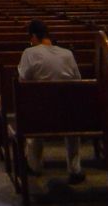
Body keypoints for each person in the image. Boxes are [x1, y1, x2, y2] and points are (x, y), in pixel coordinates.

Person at [18, 18, 85, 185]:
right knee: (71, 112)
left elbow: (22, 81)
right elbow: (78, 81)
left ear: (33, 36)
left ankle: (35, 164)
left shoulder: (29, 53)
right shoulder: (67, 54)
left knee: (34, 107)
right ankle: (75, 168)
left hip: (41, 116)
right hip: (69, 115)